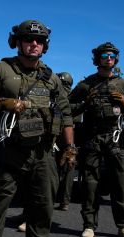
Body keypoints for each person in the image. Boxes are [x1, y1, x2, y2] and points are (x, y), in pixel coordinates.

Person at [0, 19, 76, 237]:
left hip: (43, 153)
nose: (34, 44)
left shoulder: (52, 78)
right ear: (17, 42)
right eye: (28, 39)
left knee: (42, 208)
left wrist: (70, 147)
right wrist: (2, 102)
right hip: (9, 152)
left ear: (45, 45)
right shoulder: (0, 69)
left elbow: (65, 114)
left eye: (39, 40)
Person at [68, 42, 124, 237]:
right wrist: (85, 104)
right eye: (104, 55)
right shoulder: (86, 84)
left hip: (115, 139)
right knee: (90, 185)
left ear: (115, 59)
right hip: (92, 139)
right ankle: (89, 226)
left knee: (119, 185)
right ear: (97, 58)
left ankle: (123, 227)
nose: (108, 58)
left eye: (112, 55)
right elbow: (67, 107)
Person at [54, 72, 78, 211]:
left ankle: (50, 198)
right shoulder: (75, 97)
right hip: (71, 137)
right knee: (69, 167)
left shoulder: (56, 95)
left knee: (53, 169)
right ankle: (65, 201)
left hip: (57, 135)